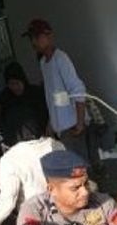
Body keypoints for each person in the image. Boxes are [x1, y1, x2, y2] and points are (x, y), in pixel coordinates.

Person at [0, 116, 64, 225]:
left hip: (36, 218)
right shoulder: (57, 145)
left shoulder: (10, 159)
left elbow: (7, 203)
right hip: (65, 210)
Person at [24, 19, 88, 158]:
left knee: (79, 170)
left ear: (49, 36)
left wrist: (80, 123)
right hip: (61, 129)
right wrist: (51, 123)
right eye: (31, 38)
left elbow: (77, 90)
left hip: (72, 127)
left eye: (37, 37)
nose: (33, 42)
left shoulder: (61, 58)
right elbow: (52, 97)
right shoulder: (43, 63)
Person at [0, 61, 48, 149]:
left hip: (40, 143)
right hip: (18, 148)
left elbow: (45, 116)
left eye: (17, 83)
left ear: (22, 80)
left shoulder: (35, 94)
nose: (15, 87)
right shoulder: (6, 100)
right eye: (11, 84)